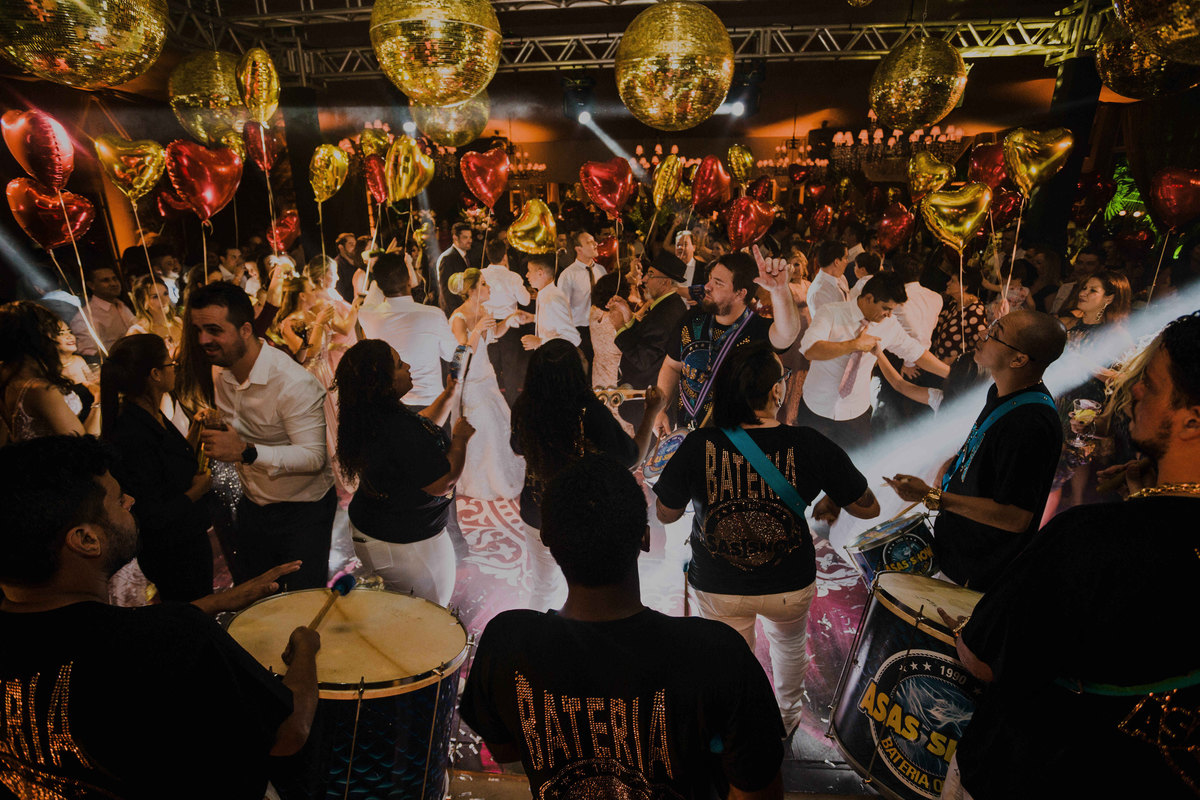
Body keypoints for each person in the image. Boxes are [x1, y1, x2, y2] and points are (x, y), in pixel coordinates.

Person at [940, 312, 1200, 799]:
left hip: (1030, 771)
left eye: (1150, 383)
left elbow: (982, 660)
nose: (1133, 390)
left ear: (1192, 420)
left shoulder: (1089, 539)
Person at [0, 435, 320, 800]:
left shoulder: (148, 635)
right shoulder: (174, 639)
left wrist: (213, 603)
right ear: (86, 540)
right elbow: (290, 732)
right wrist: (306, 648)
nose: (131, 501)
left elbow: (95, 636)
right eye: (118, 499)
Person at [460, 454, 786, 800]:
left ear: (548, 540)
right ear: (644, 538)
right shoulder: (717, 654)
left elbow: (505, 751)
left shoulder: (506, 643)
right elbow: (758, 793)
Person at [653, 342, 879, 736]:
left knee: (730, 660)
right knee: (789, 651)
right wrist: (831, 495)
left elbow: (666, 513)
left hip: (720, 584)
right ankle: (786, 722)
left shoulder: (699, 445)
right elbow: (868, 507)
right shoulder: (810, 443)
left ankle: (736, 729)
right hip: (788, 583)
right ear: (776, 390)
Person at [884, 310, 1066, 592]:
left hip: (978, 566)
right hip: (957, 544)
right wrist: (956, 462)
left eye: (995, 334)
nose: (982, 335)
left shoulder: (1030, 424)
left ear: (1018, 360)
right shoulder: (1001, 392)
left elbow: (1016, 517)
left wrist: (934, 497)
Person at [188, 281, 336, 590]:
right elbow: (242, 425)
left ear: (245, 330)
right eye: (198, 330)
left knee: (302, 599)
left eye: (214, 330)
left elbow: (314, 457)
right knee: (259, 596)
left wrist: (246, 451)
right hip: (252, 505)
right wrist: (217, 424)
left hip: (302, 512)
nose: (203, 340)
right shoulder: (222, 371)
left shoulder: (293, 383)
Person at [511, 339, 662, 611]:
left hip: (537, 507)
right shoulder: (588, 411)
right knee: (589, 588)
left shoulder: (524, 406)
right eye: (580, 358)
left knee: (544, 586)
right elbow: (632, 458)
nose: (586, 360)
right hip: (581, 515)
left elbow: (517, 447)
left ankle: (541, 632)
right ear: (573, 372)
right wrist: (651, 412)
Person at [333, 340, 472, 605]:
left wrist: (449, 394)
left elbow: (421, 427)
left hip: (373, 528)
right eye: (399, 364)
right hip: (406, 544)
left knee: (400, 601)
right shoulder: (398, 430)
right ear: (382, 382)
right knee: (430, 607)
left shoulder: (372, 413)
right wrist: (460, 440)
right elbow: (443, 483)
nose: (408, 366)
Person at [100, 334, 213, 602]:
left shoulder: (151, 413)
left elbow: (168, 458)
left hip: (186, 536)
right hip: (172, 549)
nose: (174, 369)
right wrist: (196, 492)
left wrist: (196, 430)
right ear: (155, 374)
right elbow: (152, 513)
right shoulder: (132, 432)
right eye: (170, 364)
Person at [656, 249, 802, 434]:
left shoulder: (758, 331)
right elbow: (672, 366)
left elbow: (788, 334)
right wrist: (659, 409)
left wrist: (780, 290)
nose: (707, 286)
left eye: (718, 283)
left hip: (734, 439)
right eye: (710, 279)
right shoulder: (691, 319)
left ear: (740, 293)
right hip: (686, 432)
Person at [798, 273, 950, 449]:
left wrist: (952, 374)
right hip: (816, 405)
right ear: (869, 298)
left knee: (855, 463)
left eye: (892, 310)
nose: (889, 315)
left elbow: (916, 353)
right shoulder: (831, 313)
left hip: (855, 411)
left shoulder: (889, 324)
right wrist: (854, 345)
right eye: (886, 308)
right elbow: (810, 350)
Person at [448, 269, 525, 501]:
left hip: (488, 377)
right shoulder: (458, 318)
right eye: (483, 284)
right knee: (486, 425)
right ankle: (479, 478)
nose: (489, 287)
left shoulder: (484, 310)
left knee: (502, 422)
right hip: (471, 381)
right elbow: (463, 351)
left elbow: (495, 332)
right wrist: (478, 328)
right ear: (472, 290)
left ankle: (501, 472)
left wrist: (509, 319)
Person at [358, 253, 458, 410]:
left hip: (390, 406)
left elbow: (373, 295)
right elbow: (452, 355)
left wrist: (382, 272)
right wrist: (467, 344)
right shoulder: (433, 315)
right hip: (430, 404)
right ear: (409, 280)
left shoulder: (367, 315)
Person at [611, 251, 690, 430]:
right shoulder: (666, 305)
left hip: (649, 405)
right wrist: (628, 316)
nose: (644, 279)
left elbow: (643, 359)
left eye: (651, 275)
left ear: (665, 282)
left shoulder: (666, 314)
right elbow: (646, 339)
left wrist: (619, 328)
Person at [0, 301, 87, 443]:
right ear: (37, 338)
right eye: (52, 331)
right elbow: (83, 446)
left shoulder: (7, 374)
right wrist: (99, 401)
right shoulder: (39, 390)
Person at [480, 238, 531, 406]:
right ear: (504, 256)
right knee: (510, 368)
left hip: (488, 323)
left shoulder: (481, 274)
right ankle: (512, 404)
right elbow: (525, 301)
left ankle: (491, 403)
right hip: (510, 325)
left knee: (491, 366)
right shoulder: (513, 277)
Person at [558, 230, 606, 364]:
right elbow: (562, 308)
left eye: (594, 241)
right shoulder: (568, 275)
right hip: (580, 329)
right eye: (589, 242)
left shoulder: (601, 270)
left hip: (601, 327)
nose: (595, 244)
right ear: (578, 249)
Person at [69, 264, 135, 358]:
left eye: (114, 278)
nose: (113, 284)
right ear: (91, 285)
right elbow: (88, 351)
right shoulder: (85, 317)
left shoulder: (119, 304)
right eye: (105, 280)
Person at [520, 255, 580, 350]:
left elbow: (574, 338)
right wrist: (533, 318)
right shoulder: (543, 294)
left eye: (529, 271)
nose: (527, 275)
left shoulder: (553, 298)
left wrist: (540, 341)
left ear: (540, 273)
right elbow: (553, 321)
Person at [126, 274, 184, 351]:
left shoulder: (178, 322)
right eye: (155, 297)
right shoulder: (137, 332)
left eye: (165, 294)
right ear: (143, 303)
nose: (164, 300)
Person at [434, 222, 472, 314]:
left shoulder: (465, 256)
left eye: (470, 237)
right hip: (454, 310)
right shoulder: (447, 258)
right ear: (455, 238)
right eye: (465, 237)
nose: (470, 240)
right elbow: (446, 291)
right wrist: (455, 313)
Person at [806, 241, 850, 316]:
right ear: (837, 262)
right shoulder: (818, 291)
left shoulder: (842, 278)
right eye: (845, 258)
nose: (847, 262)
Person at [333, 232, 360, 302]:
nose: (355, 247)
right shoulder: (336, 266)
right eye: (351, 244)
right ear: (341, 247)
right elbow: (340, 294)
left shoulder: (359, 262)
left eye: (355, 244)